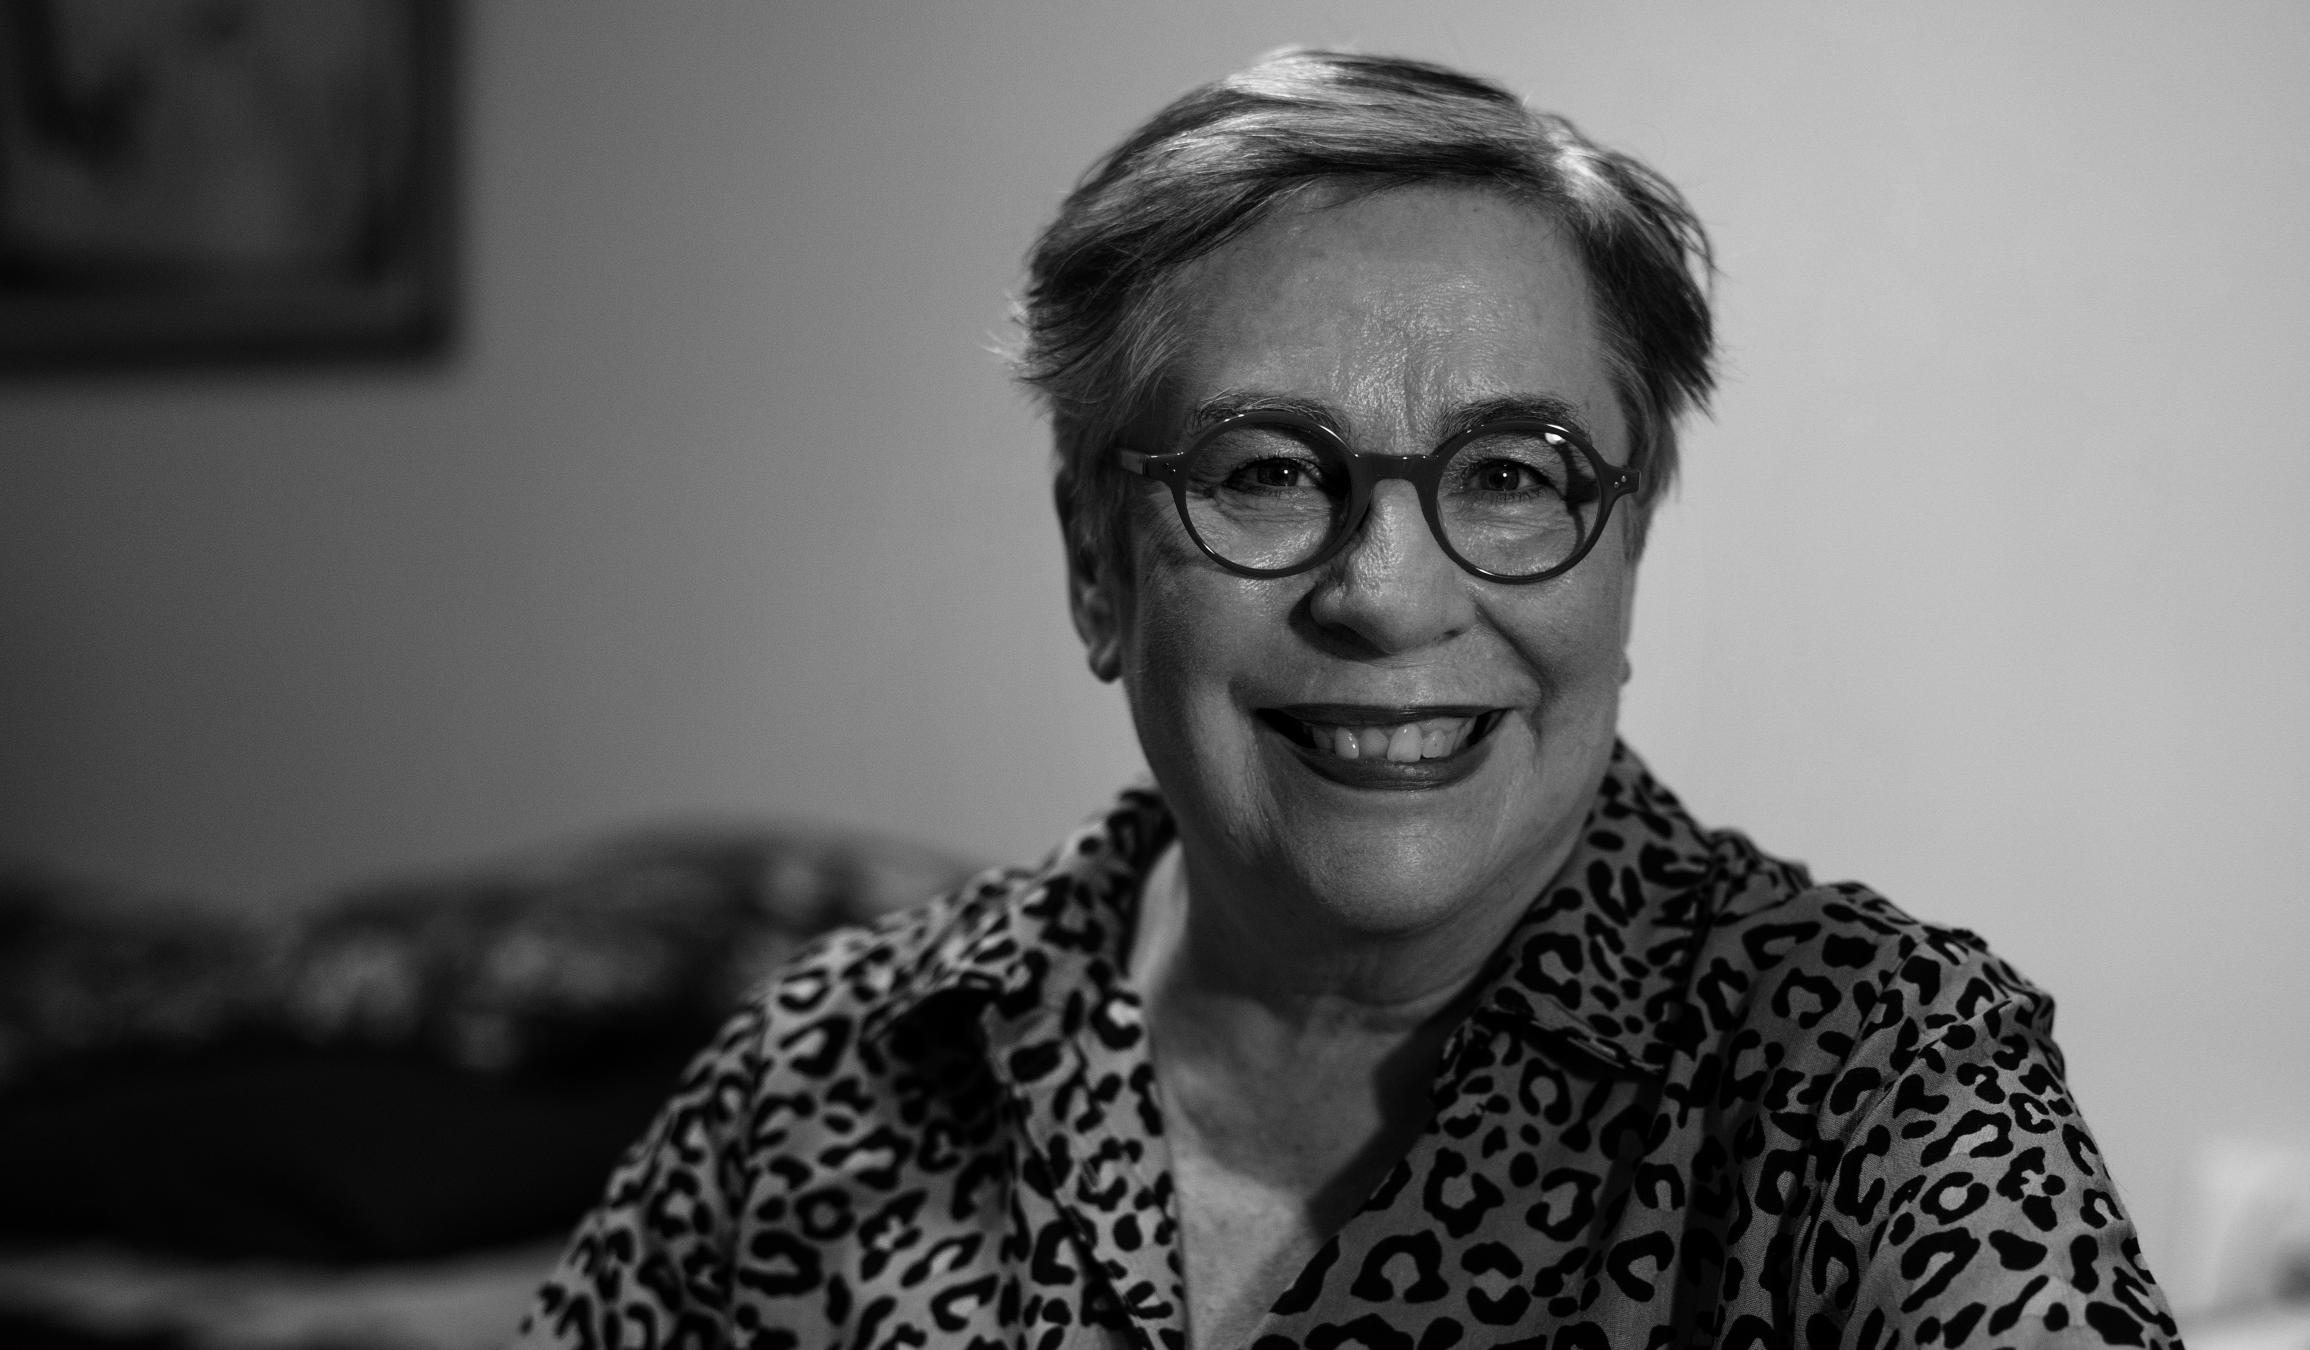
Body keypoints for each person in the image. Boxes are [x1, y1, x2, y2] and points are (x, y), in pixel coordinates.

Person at [519, 51, 2178, 1350]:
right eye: (1264, 469)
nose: (1385, 590)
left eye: (1513, 472)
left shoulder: (1882, 1075)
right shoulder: (826, 1075)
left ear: (1627, 549)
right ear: (1098, 563)